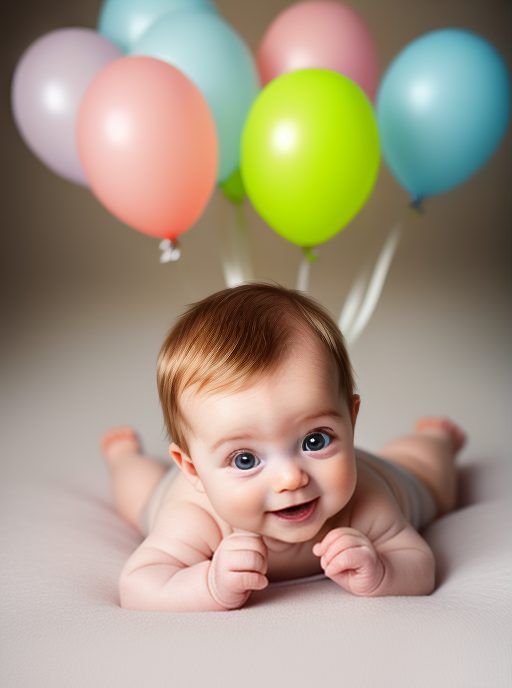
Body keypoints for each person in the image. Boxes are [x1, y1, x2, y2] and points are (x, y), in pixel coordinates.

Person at [101, 282, 466, 612]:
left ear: (351, 420)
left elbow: (419, 564)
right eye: (245, 459)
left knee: (425, 473)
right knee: (141, 494)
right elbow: (138, 586)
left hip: (391, 473)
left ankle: (437, 439)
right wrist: (209, 584)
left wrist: (383, 569)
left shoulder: (367, 502)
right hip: (171, 492)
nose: (290, 478)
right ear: (193, 468)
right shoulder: (197, 519)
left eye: (315, 440)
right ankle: (124, 458)